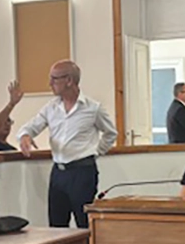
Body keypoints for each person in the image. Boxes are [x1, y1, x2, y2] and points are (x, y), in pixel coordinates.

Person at [17, 60, 118, 227]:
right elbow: (31, 127)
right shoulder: (51, 108)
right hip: (58, 173)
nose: (50, 83)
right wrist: (25, 136)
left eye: (54, 79)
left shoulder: (93, 108)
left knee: (84, 224)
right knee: (56, 225)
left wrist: (95, 152)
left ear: (69, 80)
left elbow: (110, 133)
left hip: (82, 172)